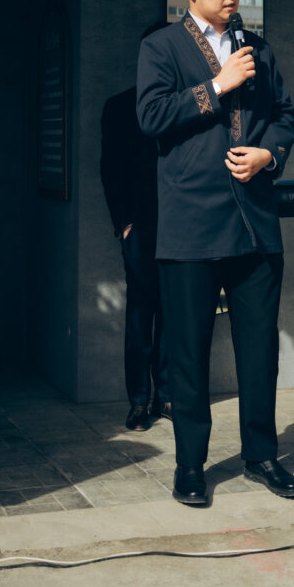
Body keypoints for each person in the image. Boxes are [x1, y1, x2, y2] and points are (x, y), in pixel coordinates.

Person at [136, 0, 294, 505]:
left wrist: (269, 155)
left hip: (255, 224)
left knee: (260, 351)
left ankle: (262, 456)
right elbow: (151, 117)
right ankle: (190, 464)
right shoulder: (161, 47)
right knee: (189, 353)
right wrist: (218, 85)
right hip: (189, 227)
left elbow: (285, 116)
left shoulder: (259, 48)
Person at [101, 68, 170, 431]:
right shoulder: (120, 105)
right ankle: (139, 401)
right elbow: (109, 168)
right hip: (139, 225)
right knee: (141, 312)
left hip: (180, 225)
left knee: (174, 311)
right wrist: (124, 223)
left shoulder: (186, 102)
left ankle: (167, 396)